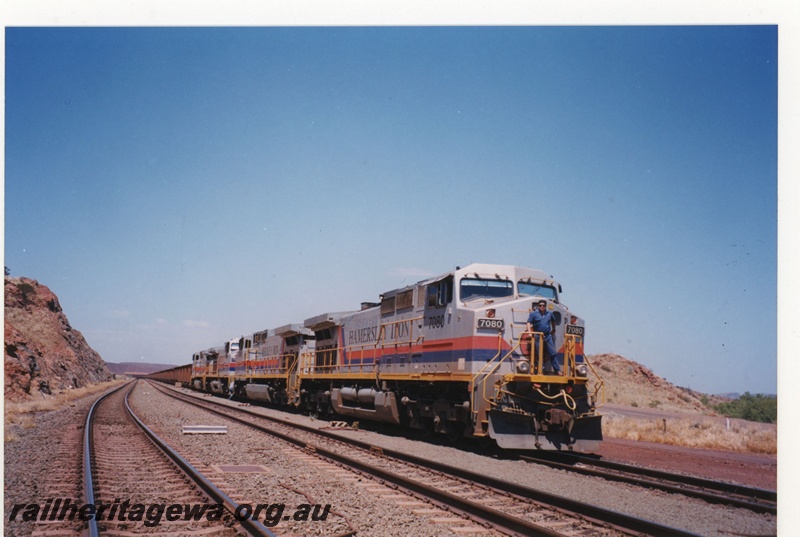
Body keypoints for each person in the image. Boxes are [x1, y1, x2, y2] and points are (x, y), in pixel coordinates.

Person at [526, 300, 561, 375]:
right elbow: (529, 322)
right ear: (538, 306)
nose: (542, 306)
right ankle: (541, 370)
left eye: (543, 305)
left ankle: (557, 370)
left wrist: (554, 329)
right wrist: (529, 332)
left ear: (545, 306)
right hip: (538, 335)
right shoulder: (534, 314)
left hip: (548, 336)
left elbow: (553, 321)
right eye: (540, 305)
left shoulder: (549, 314)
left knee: (552, 352)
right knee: (539, 353)